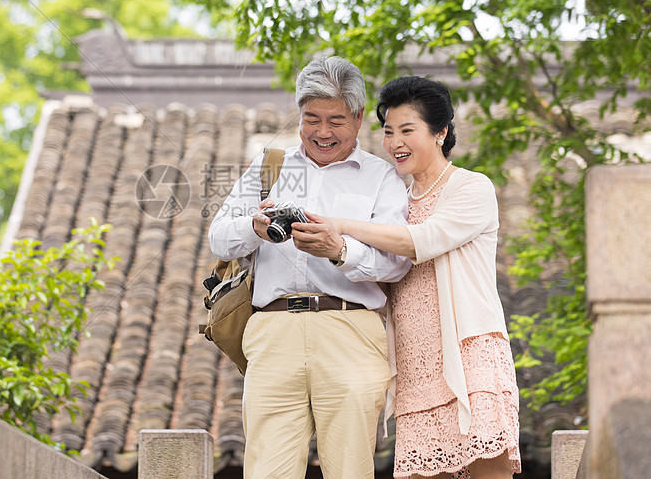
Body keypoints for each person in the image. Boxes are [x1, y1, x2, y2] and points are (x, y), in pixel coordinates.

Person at [295, 75, 522, 478]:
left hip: (469, 354)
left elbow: (421, 240)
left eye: (407, 130)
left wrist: (339, 225)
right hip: (416, 369)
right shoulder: (393, 200)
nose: (395, 142)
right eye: (388, 131)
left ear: (441, 132)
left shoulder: (470, 187)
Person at [208, 56, 412, 479]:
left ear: (357, 119)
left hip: (351, 330)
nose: (322, 132)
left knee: (349, 470)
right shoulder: (269, 167)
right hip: (272, 329)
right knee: (267, 470)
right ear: (298, 115)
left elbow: (397, 263)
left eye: (335, 120)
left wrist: (339, 250)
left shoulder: (381, 177)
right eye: (311, 118)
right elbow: (218, 237)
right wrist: (255, 227)